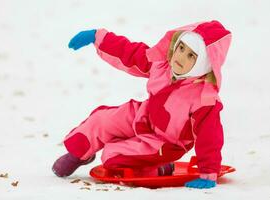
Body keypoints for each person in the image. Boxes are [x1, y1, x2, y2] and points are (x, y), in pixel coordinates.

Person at [52, 20, 232, 189]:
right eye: (181, 48)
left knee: (112, 156)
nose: (181, 57)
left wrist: (208, 172)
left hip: (164, 143)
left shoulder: (204, 98)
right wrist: (97, 37)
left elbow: (210, 136)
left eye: (191, 55)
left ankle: (159, 167)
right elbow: (130, 53)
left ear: (204, 63)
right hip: (143, 116)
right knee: (101, 119)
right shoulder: (162, 64)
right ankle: (78, 154)